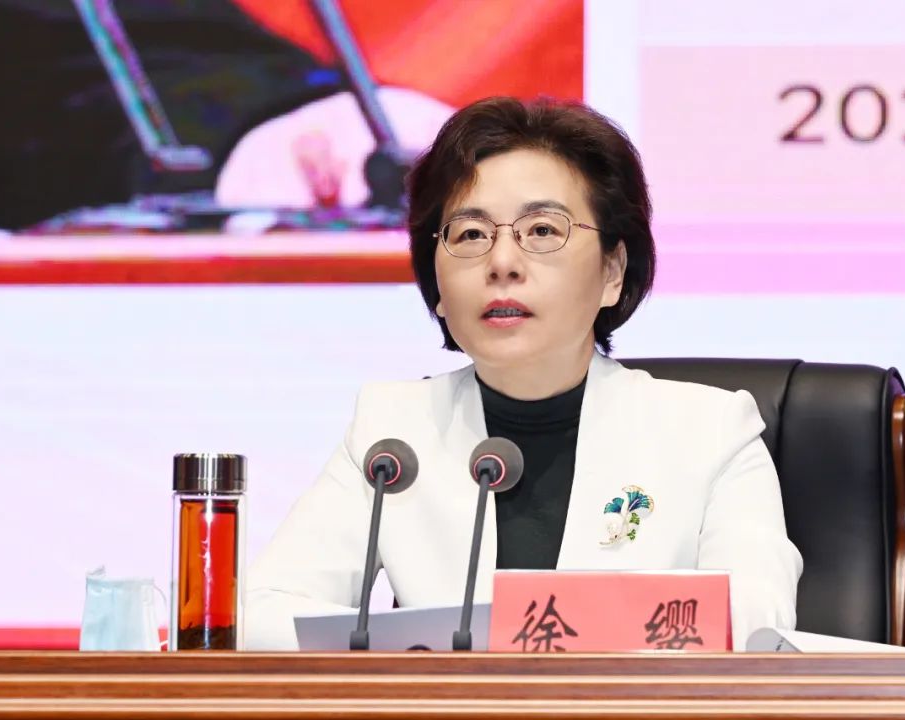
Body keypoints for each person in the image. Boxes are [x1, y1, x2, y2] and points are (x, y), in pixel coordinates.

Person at [244, 96, 802, 650]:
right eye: (470, 234)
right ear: (436, 286)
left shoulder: (711, 432)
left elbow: (753, 625)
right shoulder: (392, 435)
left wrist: (513, 647)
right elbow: (262, 613)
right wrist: (425, 662)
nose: (503, 263)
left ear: (613, 271)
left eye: (541, 231)